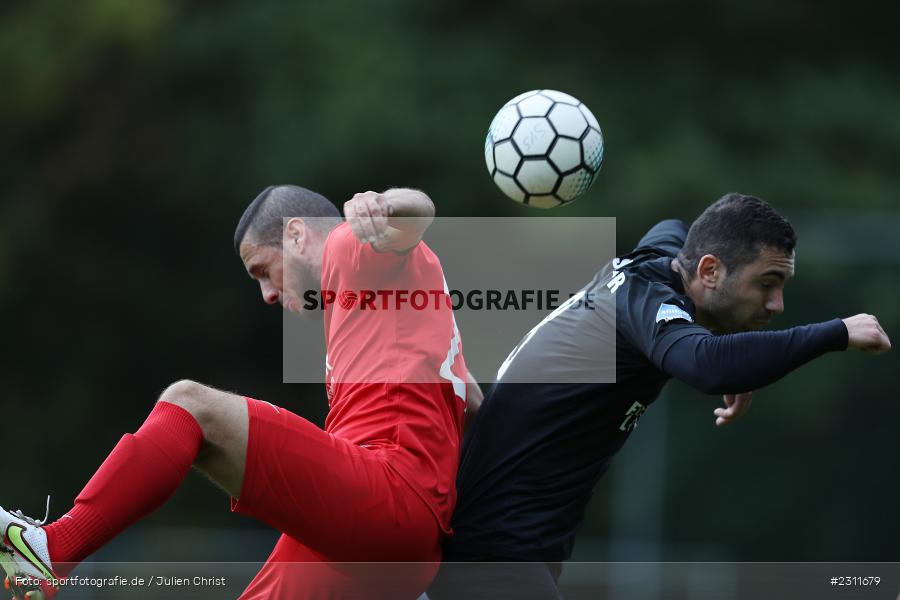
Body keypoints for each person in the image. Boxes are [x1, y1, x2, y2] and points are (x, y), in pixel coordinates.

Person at [0, 185, 479, 599]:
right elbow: (476, 405)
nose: (268, 294)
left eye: (262, 271)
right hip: (401, 543)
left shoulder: (345, 246)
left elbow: (416, 212)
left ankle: (54, 550)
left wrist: (383, 203)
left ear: (295, 234)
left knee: (191, 405)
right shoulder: (399, 316)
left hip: (390, 502)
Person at [427, 193, 891, 600]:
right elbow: (708, 365)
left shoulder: (663, 257)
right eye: (766, 284)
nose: (776, 305)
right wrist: (836, 332)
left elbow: (672, 228)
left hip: (501, 552)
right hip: (492, 557)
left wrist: (743, 355)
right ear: (708, 270)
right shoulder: (649, 302)